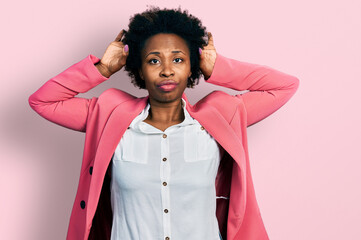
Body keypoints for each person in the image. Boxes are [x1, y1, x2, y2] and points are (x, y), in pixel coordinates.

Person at [28, 6, 299, 240]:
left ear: (193, 66)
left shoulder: (221, 116)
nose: (167, 70)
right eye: (153, 60)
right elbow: (44, 101)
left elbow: (284, 86)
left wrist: (217, 67)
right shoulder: (110, 116)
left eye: (179, 59)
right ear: (139, 69)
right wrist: (103, 68)